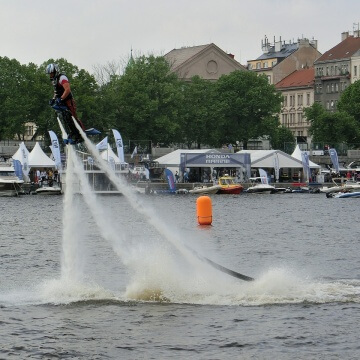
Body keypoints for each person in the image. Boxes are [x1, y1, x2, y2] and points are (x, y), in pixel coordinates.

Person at [46, 63, 85, 142]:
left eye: (52, 73)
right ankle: (73, 132)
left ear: (55, 71)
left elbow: (67, 89)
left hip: (68, 101)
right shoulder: (54, 80)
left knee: (73, 117)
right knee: (66, 118)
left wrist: (61, 98)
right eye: (49, 74)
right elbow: (56, 92)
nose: (50, 75)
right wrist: (53, 99)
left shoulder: (62, 78)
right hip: (62, 102)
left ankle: (81, 134)